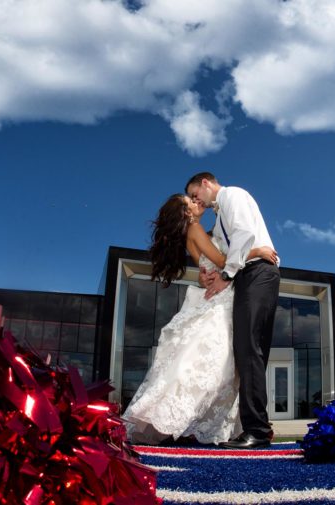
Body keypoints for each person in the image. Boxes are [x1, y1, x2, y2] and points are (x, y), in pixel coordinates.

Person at [122, 194, 277, 445]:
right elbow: (222, 261)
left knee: (207, 363)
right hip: (222, 297)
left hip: (216, 293)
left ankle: (189, 422)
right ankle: (182, 420)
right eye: (191, 202)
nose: (197, 203)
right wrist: (258, 251)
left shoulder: (192, 234)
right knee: (215, 363)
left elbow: (204, 270)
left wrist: (202, 278)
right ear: (187, 213)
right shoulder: (195, 228)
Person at [186, 172, 280, 449]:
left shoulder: (232, 195)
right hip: (248, 275)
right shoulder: (217, 218)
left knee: (248, 348)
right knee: (250, 351)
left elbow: (244, 233)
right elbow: (223, 253)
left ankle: (257, 430)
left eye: (195, 194)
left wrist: (227, 275)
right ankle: (259, 427)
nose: (196, 200)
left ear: (206, 183)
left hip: (257, 274)